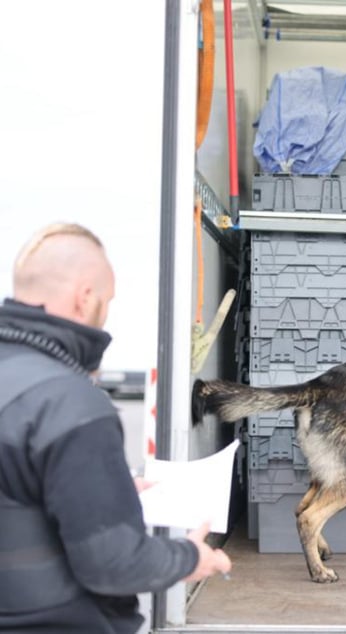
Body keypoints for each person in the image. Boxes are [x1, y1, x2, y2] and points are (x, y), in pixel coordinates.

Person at [0, 223, 232, 633]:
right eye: (106, 301)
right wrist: (191, 558)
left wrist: (110, 485)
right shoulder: (69, 402)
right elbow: (112, 564)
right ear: (85, 297)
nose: (105, 314)